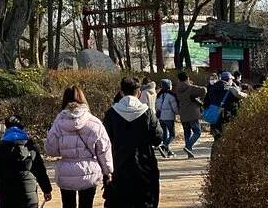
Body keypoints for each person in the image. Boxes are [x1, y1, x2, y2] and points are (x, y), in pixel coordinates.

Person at [45, 85, 113, 208]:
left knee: (68, 205)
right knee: (86, 205)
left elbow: (51, 150)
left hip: (66, 173)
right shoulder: (94, 122)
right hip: (89, 172)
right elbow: (104, 150)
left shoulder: (58, 123)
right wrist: (107, 172)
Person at [103, 77, 163, 208]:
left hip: (119, 164)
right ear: (139, 93)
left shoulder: (111, 113)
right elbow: (157, 138)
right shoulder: (147, 112)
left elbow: (105, 140)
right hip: (144, 165)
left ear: (121, 92)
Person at [0, 115, 52, 208]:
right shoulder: (30, 147)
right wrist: (47, 190)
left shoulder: (0, 149)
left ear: (6, 127)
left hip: (6, 195)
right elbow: (40, 171)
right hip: (29, 196)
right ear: (22, 127)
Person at [204, 71, 248, 142]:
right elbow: (238, 104)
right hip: (228, 118)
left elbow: (206, 103)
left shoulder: (211, 89)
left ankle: (216, 148)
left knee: (217, 138)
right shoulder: (231, 90)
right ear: (229, 80)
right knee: (227, 139)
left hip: (215, 118)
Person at [176, 71, 207, 158]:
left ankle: (189, 151)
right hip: (192, 113)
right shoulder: (190, 88)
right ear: (187, 78)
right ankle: (188, 146)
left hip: (183, 113)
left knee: (187, 133)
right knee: (197, 132)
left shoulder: (177, 89)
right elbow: (203, 90)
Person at [155, 78, 179, 158]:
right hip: (169, 117)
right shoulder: (171, 96)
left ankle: (167, 151)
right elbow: (175, 108)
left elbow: (156, 106)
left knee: (165, 134)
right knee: (172, 135)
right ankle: (163, 146)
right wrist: (177, 112)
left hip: (161, 117)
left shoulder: (159, 95)